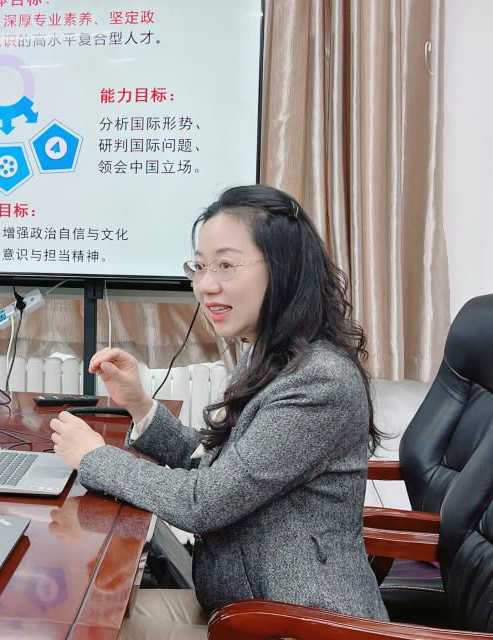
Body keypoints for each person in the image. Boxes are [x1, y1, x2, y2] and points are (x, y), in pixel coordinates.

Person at [49, 184, 389, 639]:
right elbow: (224, 467)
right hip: (243, 604)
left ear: (284, 269)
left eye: (226, 265)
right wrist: (140, 405)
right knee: (86, 611)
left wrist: (95, 457)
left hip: (297, 624)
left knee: (82, 627)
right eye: (200, 266)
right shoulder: (273, 353)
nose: (206, 285)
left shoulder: (318, 381)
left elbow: (204, 502)